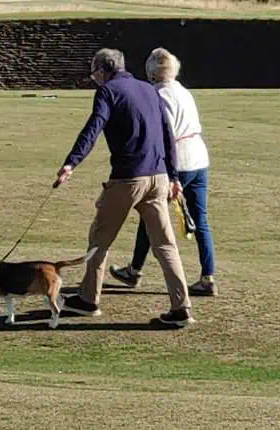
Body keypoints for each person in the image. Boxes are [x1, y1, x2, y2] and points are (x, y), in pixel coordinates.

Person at [54, 48, 195, 327]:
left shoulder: (108, 91)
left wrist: (71, 163)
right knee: (166, 245)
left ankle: (88, 300)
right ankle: (181, 307)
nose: (95, 79)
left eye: (95, 73)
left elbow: (93, 128)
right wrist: (174, 177)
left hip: (128, 179)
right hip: (159, 178)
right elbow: (168, 135)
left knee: (99, 240)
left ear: (104, 70)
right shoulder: (149, 89)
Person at [109, 47, 218, 297]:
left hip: (176, 161)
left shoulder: (155, 94)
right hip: (199, 158)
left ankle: (134, 270)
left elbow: (162, 135)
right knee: (200, 219)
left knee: (151, 213)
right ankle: (207, 276)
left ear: (151, 72)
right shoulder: (184, 91)